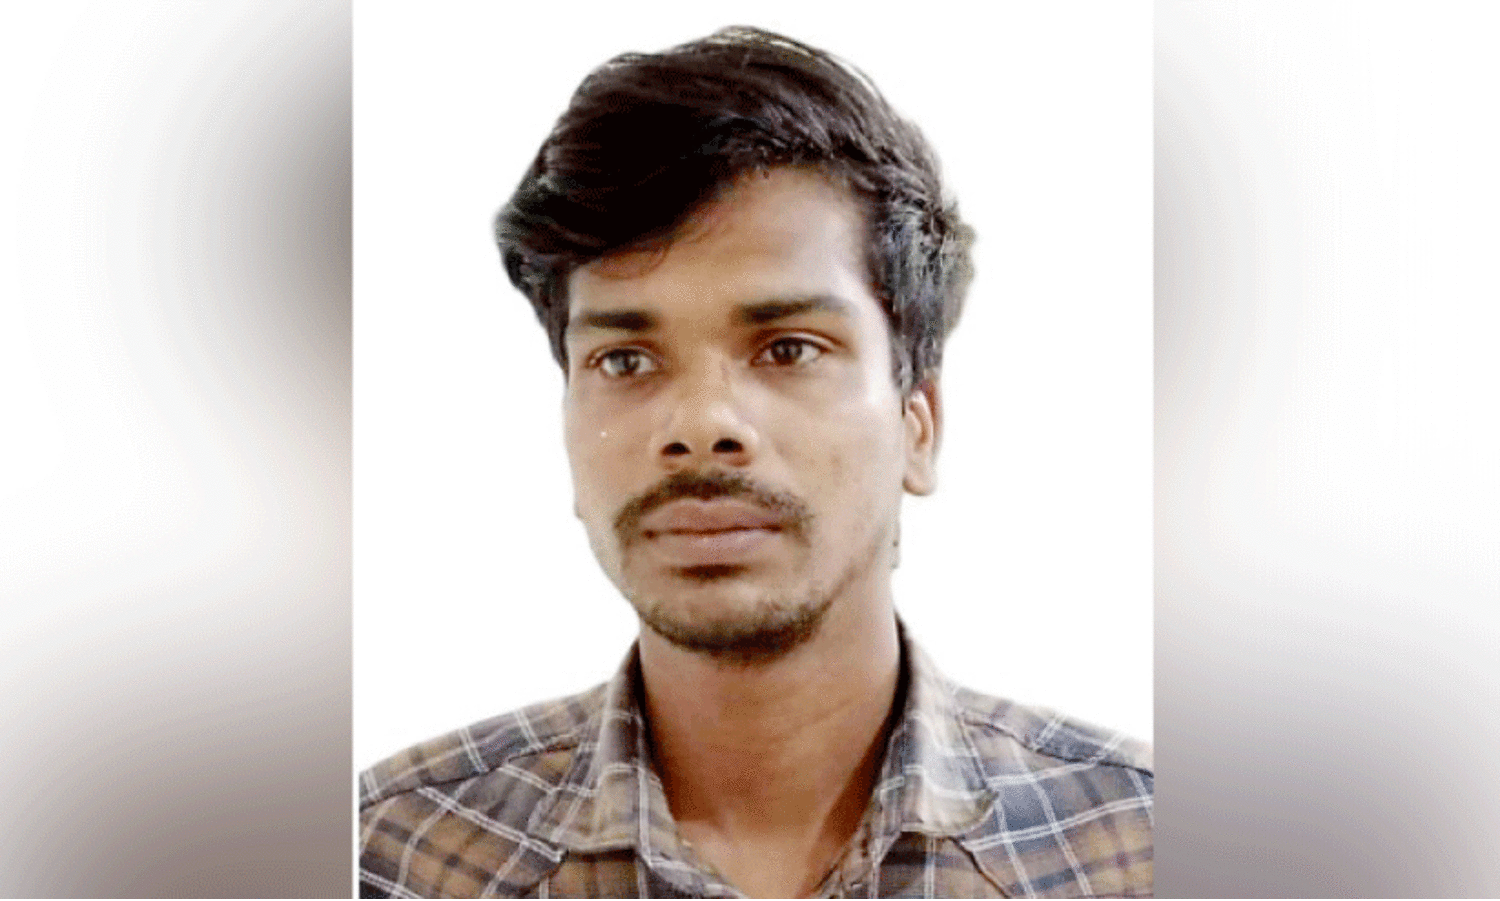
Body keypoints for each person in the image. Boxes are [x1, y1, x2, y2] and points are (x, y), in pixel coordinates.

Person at [358, 26, 1152, 899]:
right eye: (625, 360)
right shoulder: (390, 857)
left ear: (918, 425)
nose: (701, 426)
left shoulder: (1144, 850)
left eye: (788, 348)